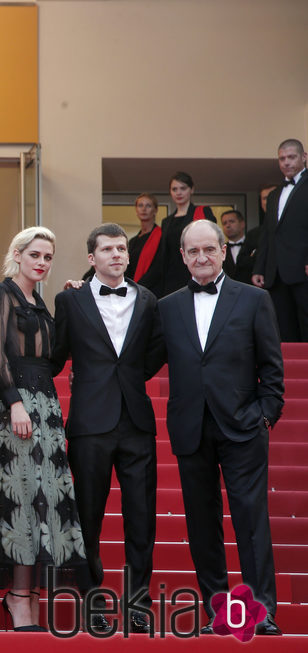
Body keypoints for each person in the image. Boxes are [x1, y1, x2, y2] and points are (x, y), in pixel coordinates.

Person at [160, 219, 283, 636]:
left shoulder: (253, 299)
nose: (201, 258)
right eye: (192, 251)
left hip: (243, 426)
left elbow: (272, 368)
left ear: (223, 250)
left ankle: (260, 610)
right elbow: (137, 356)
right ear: (182, 256)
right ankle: (219, 611)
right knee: (201, 522)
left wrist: (265, 414)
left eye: (208, 249)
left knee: (251, 520)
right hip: (191, 427)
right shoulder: (168, 305)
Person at [51, 223, 164, 634]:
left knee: (141, 517)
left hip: (136, 422)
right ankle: (91, 601)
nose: (116, 254)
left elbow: (151, 357)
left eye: (121, 248)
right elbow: (56, 354)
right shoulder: (70, 301)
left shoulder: (148, 301)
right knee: (88, 518)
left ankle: (138, 604)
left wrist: (127, 382)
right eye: (107, 249)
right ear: (91, 258)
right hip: (89, 423)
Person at [0, 227, 86, 632]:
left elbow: (55, 360)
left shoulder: (42, 304)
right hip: (17, 405)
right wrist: (13, 403)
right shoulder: (1, 294)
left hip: (46, 408)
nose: (42, 262)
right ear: (17, 254)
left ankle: (25, 596)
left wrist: (74, 302)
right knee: (20, 497)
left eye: (48, 256)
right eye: (35, 255)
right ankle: (18, 596)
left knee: (43, 499)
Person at [253, 139, 308, 341]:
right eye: (282, 158)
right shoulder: (275, 194)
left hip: (303, 269)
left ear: (304, 157)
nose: (286, 162)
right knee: (283, 328)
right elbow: (268, 234)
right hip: (276, 273)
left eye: (291, 157)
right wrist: (260, 267)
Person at [159, 172, 216, 296]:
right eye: (174, 189)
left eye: (183, 188)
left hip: (196, 271)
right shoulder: (166, 221)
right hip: (171, 277)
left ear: (192, 190)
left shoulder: (203, 211)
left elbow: (214, 241)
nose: (178, 193)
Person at [127, 193, 163, 295]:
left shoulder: (161, 236)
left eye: (148, 205)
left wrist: (138, 287)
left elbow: (157, 269)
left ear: (155, 210)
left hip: (152, 292)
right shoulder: (133, 241)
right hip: (133, 291)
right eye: (140, 205)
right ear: (136, 210)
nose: (144, 209)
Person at [220, 210, 256, 285]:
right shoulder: (220, 250)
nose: (228, 225)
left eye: (231, 221)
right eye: (224, 223)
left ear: (242, 224)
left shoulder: (254, 245)